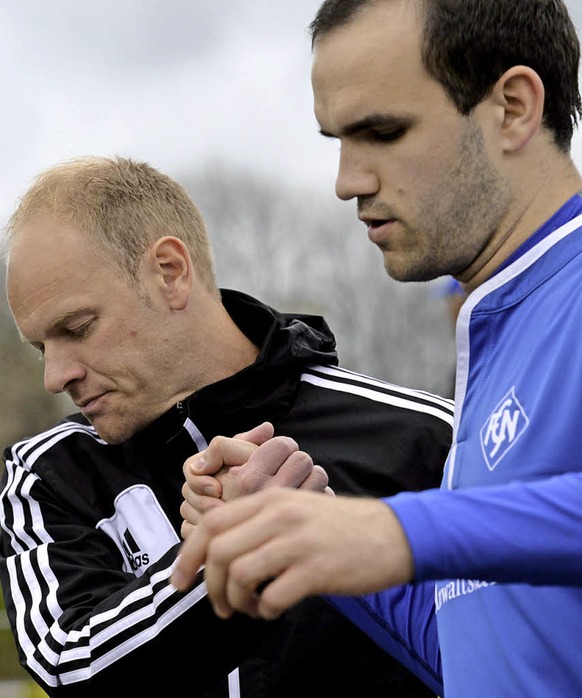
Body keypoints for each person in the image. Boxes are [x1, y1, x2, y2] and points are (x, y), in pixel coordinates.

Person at [171, 0, 582, 695]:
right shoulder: (498, 326)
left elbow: (425, 536)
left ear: (513, 108)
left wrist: (397, 530)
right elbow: (481, 653)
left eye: (382, 131)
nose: (346, 181)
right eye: (337, 139)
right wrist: (309, 530)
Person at [0, 155, 454, 697]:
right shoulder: (44, 474)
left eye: (77, 328)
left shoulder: (429, 437)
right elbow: (74, 670)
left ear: (170, 272)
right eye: (40, 347)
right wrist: (229, 553)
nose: (55, 376)